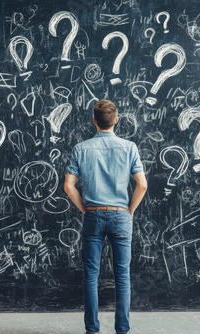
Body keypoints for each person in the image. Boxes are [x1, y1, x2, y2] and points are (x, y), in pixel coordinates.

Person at [64, 99, 148, 334]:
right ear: (116, 120)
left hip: (93, 216)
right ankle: (122, 329)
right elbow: (142, 185)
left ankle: (92, 329)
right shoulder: (129, 147)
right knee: (122, 275)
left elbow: (68, 186)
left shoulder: (81, 148)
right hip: (121, 215)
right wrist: (129, 210)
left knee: (91, 275)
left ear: (94, 121)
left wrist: (84, 209)